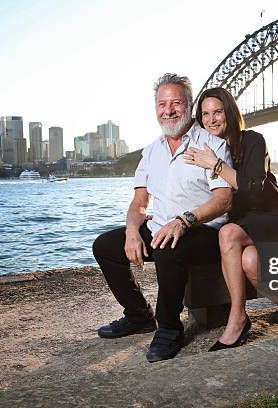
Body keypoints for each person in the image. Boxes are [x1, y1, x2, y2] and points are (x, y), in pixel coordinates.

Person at [92, 74, 232, 362]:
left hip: (204, 230)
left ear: (190, 106)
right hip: (161, 227)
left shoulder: (212, 144)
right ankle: (138, 316)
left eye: (176, 103)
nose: (168, 110)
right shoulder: (151, 151)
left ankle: (169, 329)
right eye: (162, 104)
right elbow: (140, 201)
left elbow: (223, 200)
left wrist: (184, 220)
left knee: (170, 243)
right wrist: (133, 230)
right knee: (105, 246)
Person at [183, 87, 278, 351]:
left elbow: (252, 189)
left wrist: (215, 165)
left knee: (227, 234)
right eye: (204, 114)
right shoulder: (205, 148)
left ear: (230, 113)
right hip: (241, 224)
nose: (211, 119)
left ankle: (237, 318)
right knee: (250, 262)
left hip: (271, 217)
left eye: (218, 112)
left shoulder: (252, 140)